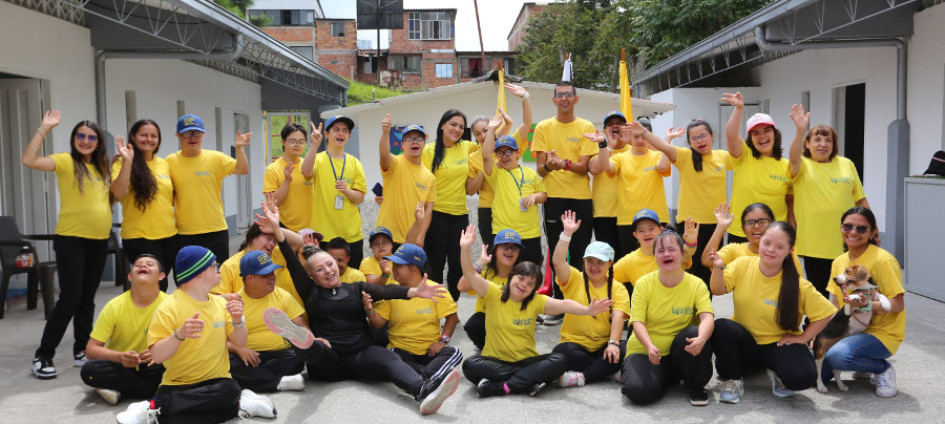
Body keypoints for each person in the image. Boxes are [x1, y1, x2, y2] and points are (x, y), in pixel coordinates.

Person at [256, 201, 459, 415]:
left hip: (361, 354)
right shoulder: (310, 291)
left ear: (337, 265)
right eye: (319, 269)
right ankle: (300, 340)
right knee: (316, 348)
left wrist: (414, 292)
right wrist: (278, 230)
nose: (328, 270)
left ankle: (422, 391)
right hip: (329, 360)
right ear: (312, 276)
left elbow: (387, 291)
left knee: (389, 358)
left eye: (330, 264)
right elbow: (291, 258)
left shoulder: (356, 286)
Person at [116, 246, 275, 424]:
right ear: (198, 273)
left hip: (217, 383)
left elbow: (240, 341)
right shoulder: (169, 307)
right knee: (221, 399)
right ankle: (236, 407)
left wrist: (239, 320)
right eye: (214, 265)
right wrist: (179, 335)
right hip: (177, 385)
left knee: (228, 390)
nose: (219, 269)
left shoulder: (221, 304)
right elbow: (157, 356)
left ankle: (154, 407)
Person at [458, 225, 612, 397]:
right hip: (495, 360)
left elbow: (565, 304)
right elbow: (470, 275)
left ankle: (505, 386)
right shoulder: (494, 293)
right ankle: (529, 380)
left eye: (530, 283)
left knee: (559, 360)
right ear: (511, 278)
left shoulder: (536, 301)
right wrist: (465, 249)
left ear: (534, 289)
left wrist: (588, 310)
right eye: (521, 279)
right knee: (470, 365)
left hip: (525, 361)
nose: (524, 285)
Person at [23, 111, 112, 380]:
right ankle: (43, 355)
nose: (85, 141)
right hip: (71, 239)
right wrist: (43, 129)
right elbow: (29, 160)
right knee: (70, 298)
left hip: (99, 240)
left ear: (98, 142)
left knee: (86, 299)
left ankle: (81, 351)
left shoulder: (102, 167)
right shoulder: (64, 161)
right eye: (80, 136)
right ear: (74, 139)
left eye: (91, 137)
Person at [706, 222, 837, 404]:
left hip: (779, 345)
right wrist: (719, 268)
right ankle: (734, 380)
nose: (771, 250)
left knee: (803, 376)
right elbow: (717, 290)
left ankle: (778, 372)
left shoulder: (798, 284)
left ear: (790, 250)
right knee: (721, 327)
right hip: (747, 345)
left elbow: (826, 313)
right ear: (759, 242)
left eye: (779, 246)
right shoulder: (743, 264)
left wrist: (804, 338)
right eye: (767, 243)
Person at [363, 243, 464, 415]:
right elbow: (378, 324)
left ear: (413, 267)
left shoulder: (436, 289)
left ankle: (421, 377)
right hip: (401, 352)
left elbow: (452, 318)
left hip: (429, 352)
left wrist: (442, 341)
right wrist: (369, 309)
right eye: (393, 264)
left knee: (455, 352)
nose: (393, 269)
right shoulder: (393, 290)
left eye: (398, 265)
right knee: (391, 360)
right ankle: (433, 378)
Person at [620, 230, 714, 406]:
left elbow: (707, 317)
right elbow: (637, 322)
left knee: (695, 331)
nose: (666, 254)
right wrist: (649, 347)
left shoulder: (696, 284)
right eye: (660, 251)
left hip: (678, 352)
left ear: (682, 253)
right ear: (654, 256)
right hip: (645, 352)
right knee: (638, 393)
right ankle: (655, 377)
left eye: (671, 249)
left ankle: (694, 386)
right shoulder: (643, 284)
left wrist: (701, 339)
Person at [531, 81, 599, 325]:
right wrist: (550, 164)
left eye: (568, 95)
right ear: (553, 100)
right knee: (556, 253)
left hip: (580, 198)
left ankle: (580, 304)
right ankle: (559, 304)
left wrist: (564, 164)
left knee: (580, 253)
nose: (564, 99)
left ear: (576, 99)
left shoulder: (586, 126)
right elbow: (540, 170)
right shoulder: (543, 127)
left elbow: (584, 168)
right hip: (554, 199)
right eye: (559, 95)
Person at [822, 207, 905, 398]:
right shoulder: (838, 262)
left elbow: (898, 305)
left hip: (882, 335)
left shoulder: (883, 260)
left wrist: (863, 305)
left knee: (838, 356)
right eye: (848, 226)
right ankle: (861, 361)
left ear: (872, 232)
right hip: (852, 332)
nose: (853, 232)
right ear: (841, 227)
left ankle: (882, 369)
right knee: (809, 372)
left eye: (861, 229)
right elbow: (837, 307)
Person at [788, 105, 869, 296]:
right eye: (817, 139)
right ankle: (817, 326)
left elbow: (860, 199)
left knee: (850, 294)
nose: (823, 144)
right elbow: (792, 158)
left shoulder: (846, 164)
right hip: (815, 244)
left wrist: (872, 228)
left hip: (849, 239)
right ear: (807, 144)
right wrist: (800, 130)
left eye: (828, 140)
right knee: (819, 295)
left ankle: (849, 326)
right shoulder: (802, 166)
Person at [642, 119, 733, 287]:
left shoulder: (723, 156)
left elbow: (741, 155)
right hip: (689, 226)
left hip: (715, 225)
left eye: (703, 136)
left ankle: (705, 311)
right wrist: (644, 132)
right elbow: (664, 147)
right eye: (694, 138)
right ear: (689, 142)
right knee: (686, 270)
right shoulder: (685, 156)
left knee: (708, 272)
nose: (699, 141)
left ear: (711, 136)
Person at [551, 212, 631, 387]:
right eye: (590, 261)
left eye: (600, 262)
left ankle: (582, 377)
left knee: (628, 348)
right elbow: (558, 262)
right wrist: (567, 235)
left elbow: (618, 317)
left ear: (610, 263)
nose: (594, 267)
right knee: (560, 353)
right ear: (584, 261)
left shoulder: (617, 288)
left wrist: (613, 344)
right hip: (575, 346)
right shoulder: (574, 278)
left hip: (604, 346)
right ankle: (607, 371)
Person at [80, 254, 168, 405]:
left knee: (179, 367)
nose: (143, 266)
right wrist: (121, 357)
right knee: (89, 371)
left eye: (149, 264)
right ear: (129, 276)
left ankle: (119, 388)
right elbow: (91, 350)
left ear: (161, 276)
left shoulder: (171, 304)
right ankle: (153, 391)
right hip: (122, 366)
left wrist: (160, 352)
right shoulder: (114, 306)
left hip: (155, 365)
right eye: (138, 265)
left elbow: (185, 342)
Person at [166, 114, 250, 262]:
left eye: (197, 132)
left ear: (203, 134)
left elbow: (242, 169)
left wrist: (239, 148)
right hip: (184, 232)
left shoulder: (216, 158)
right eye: (187, 133)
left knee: (217, 278)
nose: (193, 137)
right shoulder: (170, 161)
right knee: (187, 281)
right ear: (178, 136)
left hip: (215, 230)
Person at [588, 118, 671, 258]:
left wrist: (667, 141)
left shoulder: (658, 155)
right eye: (636, 136)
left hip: (656, 219)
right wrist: (603, 145)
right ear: (629, 137)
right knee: (628, 264)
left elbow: (663, 166)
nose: (640, 140)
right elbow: (605, 166)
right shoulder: (621, 158)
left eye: (643, 136)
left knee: (657, 263)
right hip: (628, 221)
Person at [111, 119, 177, 291]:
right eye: (143, 135)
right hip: (139, 236)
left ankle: (156, 318)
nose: (149, 139)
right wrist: (127, 161)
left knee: (161, 283)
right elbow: (118, 193)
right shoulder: (122, 163)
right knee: (154, 285)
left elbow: (170, 196)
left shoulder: (163, 163)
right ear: (133, 136)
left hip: (168, 235)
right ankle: (144, 317)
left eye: (153, 136)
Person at [227, 251, 306, 393]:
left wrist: (311, 341)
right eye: (265, 274)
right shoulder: (234, 303)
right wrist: (239, 349)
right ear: (250, 278)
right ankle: (278, 382)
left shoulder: (282, 295)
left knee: (296, 359)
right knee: (228, 363)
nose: (272, 277)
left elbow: (302, 327)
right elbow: (219, 340)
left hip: (280, 354)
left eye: (273, 272)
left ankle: (252, 380)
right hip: (246, 356)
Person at [421, 109, 479, 301]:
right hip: (436, 215)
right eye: (453, 124)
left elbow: (489, 145)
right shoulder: (429, 151)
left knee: (457, 264)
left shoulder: (467, 147)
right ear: (442, 125)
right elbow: (419, 182)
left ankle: (451, 306)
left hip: (460, 215)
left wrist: (497, 126)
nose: (457, 129)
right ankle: (436, 305)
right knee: (435, 263)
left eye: (461, 127)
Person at [466, 84, 532, 246]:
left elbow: (527, 124)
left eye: (486, 130)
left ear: (493, 127)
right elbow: (470, 190)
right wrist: (487, 169)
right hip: (487, 208)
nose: (483, 135)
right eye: (478, 134)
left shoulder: (506, 148)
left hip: (510, 206)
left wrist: (525, 98)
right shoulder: (473, 157)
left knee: (514, 251)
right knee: (491, 253)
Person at [722, 93, 792, 244]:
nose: (762, 136)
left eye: (766, 130)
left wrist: (792, 236)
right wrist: (739, 109)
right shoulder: (744, 157)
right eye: (756, 133)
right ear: (751, 139)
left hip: (774, 236)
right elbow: (730, 135)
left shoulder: (787, 166)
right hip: (742, 234)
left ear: (775, 133)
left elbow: (790, 204)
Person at [480, 116, 546, 266]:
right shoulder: (496, 172)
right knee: (505, 276)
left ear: (517, 152)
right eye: (500, 152)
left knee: (531, 273)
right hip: (504, 235)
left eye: (508, 151)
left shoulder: (530, 173)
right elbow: (485, 157)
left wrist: (535, 196)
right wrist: (491, 129)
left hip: (530, 234)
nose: (504, 156)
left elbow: (544, 195)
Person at [302, 116, 367, 266]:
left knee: (352, 279)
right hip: (323, 235)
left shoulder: (355, 163)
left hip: (351, 235)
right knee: (323, 279)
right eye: (336, 130)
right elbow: (305, 171)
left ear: (349, 135)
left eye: (345, 131)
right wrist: (314, 145)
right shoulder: (318, 159)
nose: (341, 134)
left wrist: (347, 191)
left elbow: (360, 198)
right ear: (327, 134)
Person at [457, 229, 526, 350]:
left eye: (514, 247)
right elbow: (462, 286)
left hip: (511, 322)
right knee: (474, 324)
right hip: (487, 319)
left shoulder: (523, 274)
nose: (510, 250)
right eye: (505, 246)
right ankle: (486, 348)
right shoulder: (485, 269)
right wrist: (479, 263)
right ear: (496, 250)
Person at [211, 222, 303, 309]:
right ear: (253, 238)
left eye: (275, 241)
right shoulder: (229, 266)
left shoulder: (276, 254)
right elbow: (215, 299)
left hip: (273, 314)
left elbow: (300, 243)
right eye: (268, 238)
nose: (272, 244)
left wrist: (276, 229)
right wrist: (235, 298)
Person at [376, 116, 435, 249]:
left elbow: (428, 209)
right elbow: (384, 156)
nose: (415, 142)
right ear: (402, 145)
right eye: (409, 139)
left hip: (412, 240)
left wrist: (421, 235)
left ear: (424, 144)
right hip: (387, 238)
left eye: (419, 138)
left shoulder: (430, 177)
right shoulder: (395, 163)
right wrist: (385, 133)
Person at [701, 202, 803, 271]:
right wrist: (720, 228)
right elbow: (707, 260)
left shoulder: (785, 254)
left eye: (762, 222)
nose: (756, 226)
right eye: (751, 222)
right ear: (743, 228)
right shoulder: (735, 252)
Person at [612, 209, 697, 291]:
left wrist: (690, 242)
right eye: (641, 231)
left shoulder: (671, 253)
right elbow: (605, 277)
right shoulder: (629, 261)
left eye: (651, 229)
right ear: (635, 235)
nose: (647, 233)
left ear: (660, 230)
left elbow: (687, 255)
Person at [263, 122, 316, 232]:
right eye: (292, 141)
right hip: (286, 229)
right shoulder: (273, 169)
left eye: (301, 142)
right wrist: (287, 180)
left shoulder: (309, 166)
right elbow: (273, 202)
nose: (297, 145)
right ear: (283, 141)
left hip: (312, 229)